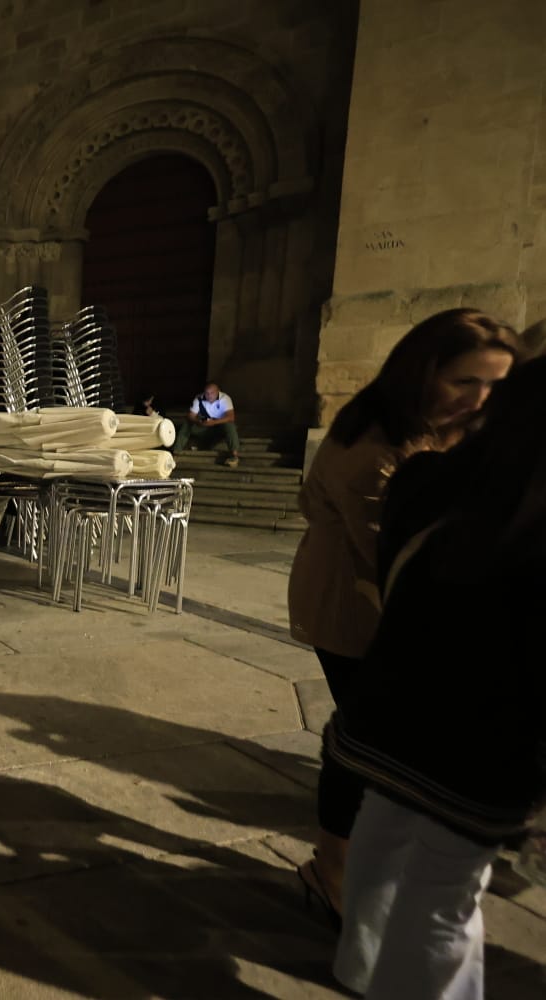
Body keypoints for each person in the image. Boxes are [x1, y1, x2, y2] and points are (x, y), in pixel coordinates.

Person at [323, 356, 546, 999]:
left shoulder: (429, 479)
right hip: (478, 746)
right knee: (444, 895)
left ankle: (360, 967)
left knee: (381, 840)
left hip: (389, 711)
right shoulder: (528, 516)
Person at [287, 308, 518, 924]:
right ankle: (332, 869)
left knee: (375, 739)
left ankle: (357, 855)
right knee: (362, 740)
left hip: (388, 604)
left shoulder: (441, 430)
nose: (480, 399)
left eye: (497, 385)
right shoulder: (375, 445)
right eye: (465, 381)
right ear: (423, 371)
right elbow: (395, 557)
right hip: (355, 609)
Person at [173, 381, 241, 467]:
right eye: (207, 393)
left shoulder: (225, 398)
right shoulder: (199, 398)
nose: (209, 396)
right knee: (187, 424)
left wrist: (214, 422)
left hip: (219, 428)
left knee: (230, 425)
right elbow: (191, 415)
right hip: (204, 427)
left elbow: (231, 417)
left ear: (218, 392)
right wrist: (198, 421)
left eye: (212, 393)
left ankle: (234, 456)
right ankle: (176, 453)